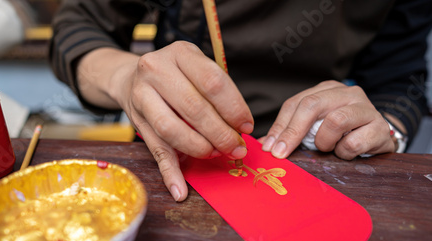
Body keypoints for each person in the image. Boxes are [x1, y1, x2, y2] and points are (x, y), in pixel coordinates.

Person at [49, 0, 432, 202]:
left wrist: (386, 129)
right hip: (177, 143)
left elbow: (400, 76)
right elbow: (78, 26)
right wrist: (125, 77)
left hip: (323, 159)